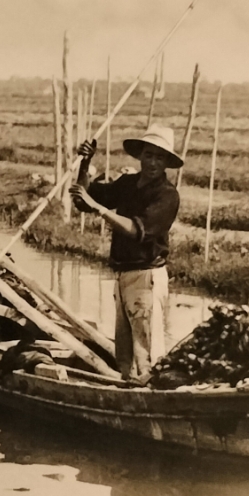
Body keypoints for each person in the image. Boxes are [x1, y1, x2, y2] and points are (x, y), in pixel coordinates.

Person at [71, 125, 182, 381]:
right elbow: (82, 198)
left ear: (166, 162)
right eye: (149, 154)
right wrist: (85, 164)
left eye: (159, 157)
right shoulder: (128, 183)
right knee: (125, 357)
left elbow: (135, 229)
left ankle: (150, 401)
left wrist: (99, 209)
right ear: (140, 155)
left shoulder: (167, 195)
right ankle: (126, 396)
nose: (153, 162)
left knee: (147, 355)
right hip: (122, 275)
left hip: (146, 277)